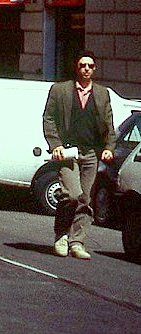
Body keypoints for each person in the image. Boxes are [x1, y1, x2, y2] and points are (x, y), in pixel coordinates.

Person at [42, 51, 116, 259]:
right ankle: (61, 236)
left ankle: (77, 242)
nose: (86, 69)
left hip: (91, 152)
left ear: (95, 69)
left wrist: (109, 147)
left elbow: (108, 124)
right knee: (72, 195)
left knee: (86, 198)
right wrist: (55, 144)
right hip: (68, 152)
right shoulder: (60, 90)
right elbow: (49, 118)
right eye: (82, 65)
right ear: (77, 67)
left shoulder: (102, 93)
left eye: (90, 66)